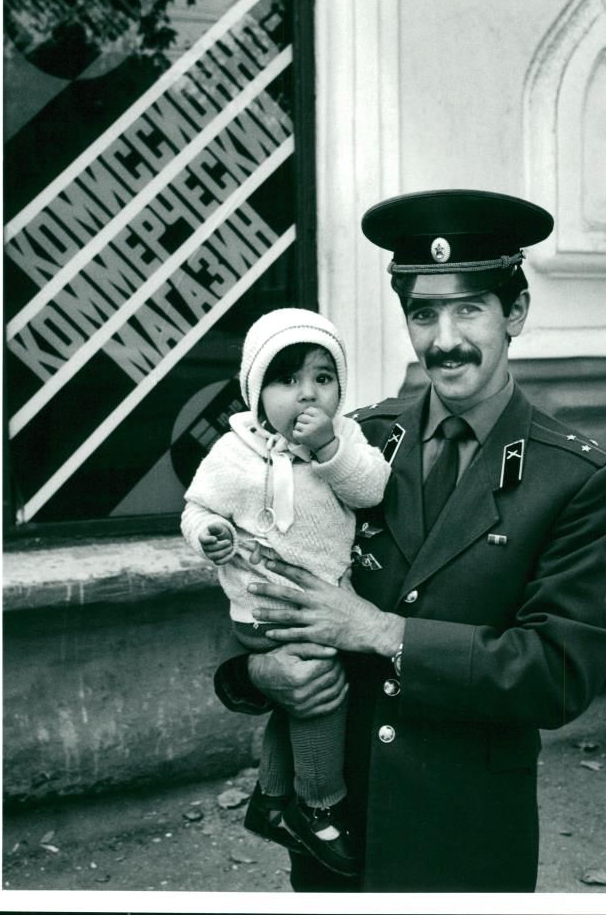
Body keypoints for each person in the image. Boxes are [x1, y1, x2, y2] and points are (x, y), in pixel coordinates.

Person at [212, 190, 606, 892]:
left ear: (515, 313)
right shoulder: (357, 442)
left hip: (462, 836)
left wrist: (382, 631)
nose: (445, 339)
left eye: (470, 308)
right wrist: (256, 674)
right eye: (423, 313)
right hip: (338, 832)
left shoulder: (574, 477)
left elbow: (560, 674)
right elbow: (261, 572)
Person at [181, 307, 390, 876]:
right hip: (262, 609)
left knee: (296, 699)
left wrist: (328, 448)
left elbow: (372, 490)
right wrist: (211, 535)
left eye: (323, 378)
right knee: (322, 690)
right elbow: (197, 507)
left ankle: (273, 800)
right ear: (256, 389)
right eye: (287, 379)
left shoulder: (344, 437)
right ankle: (321, 807)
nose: (307, 395)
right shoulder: (235, 452)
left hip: (326, 602)